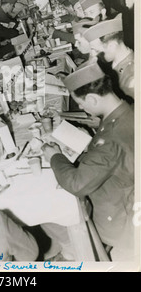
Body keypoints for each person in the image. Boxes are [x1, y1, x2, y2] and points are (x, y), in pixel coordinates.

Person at [42, 61, 134, 261]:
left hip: (117, 214)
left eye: (81, 103)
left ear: (92, 98)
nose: (81, 107)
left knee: (55, 205)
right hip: (124, 187)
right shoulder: (128, 110)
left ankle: (75, 251)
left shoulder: (111, 140)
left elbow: (77, 183)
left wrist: (55, 156)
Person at [84, 14, 134, 100]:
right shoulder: (115, 62)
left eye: (96, 50)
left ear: (112, 46)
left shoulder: (132, 78)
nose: (94, 56)